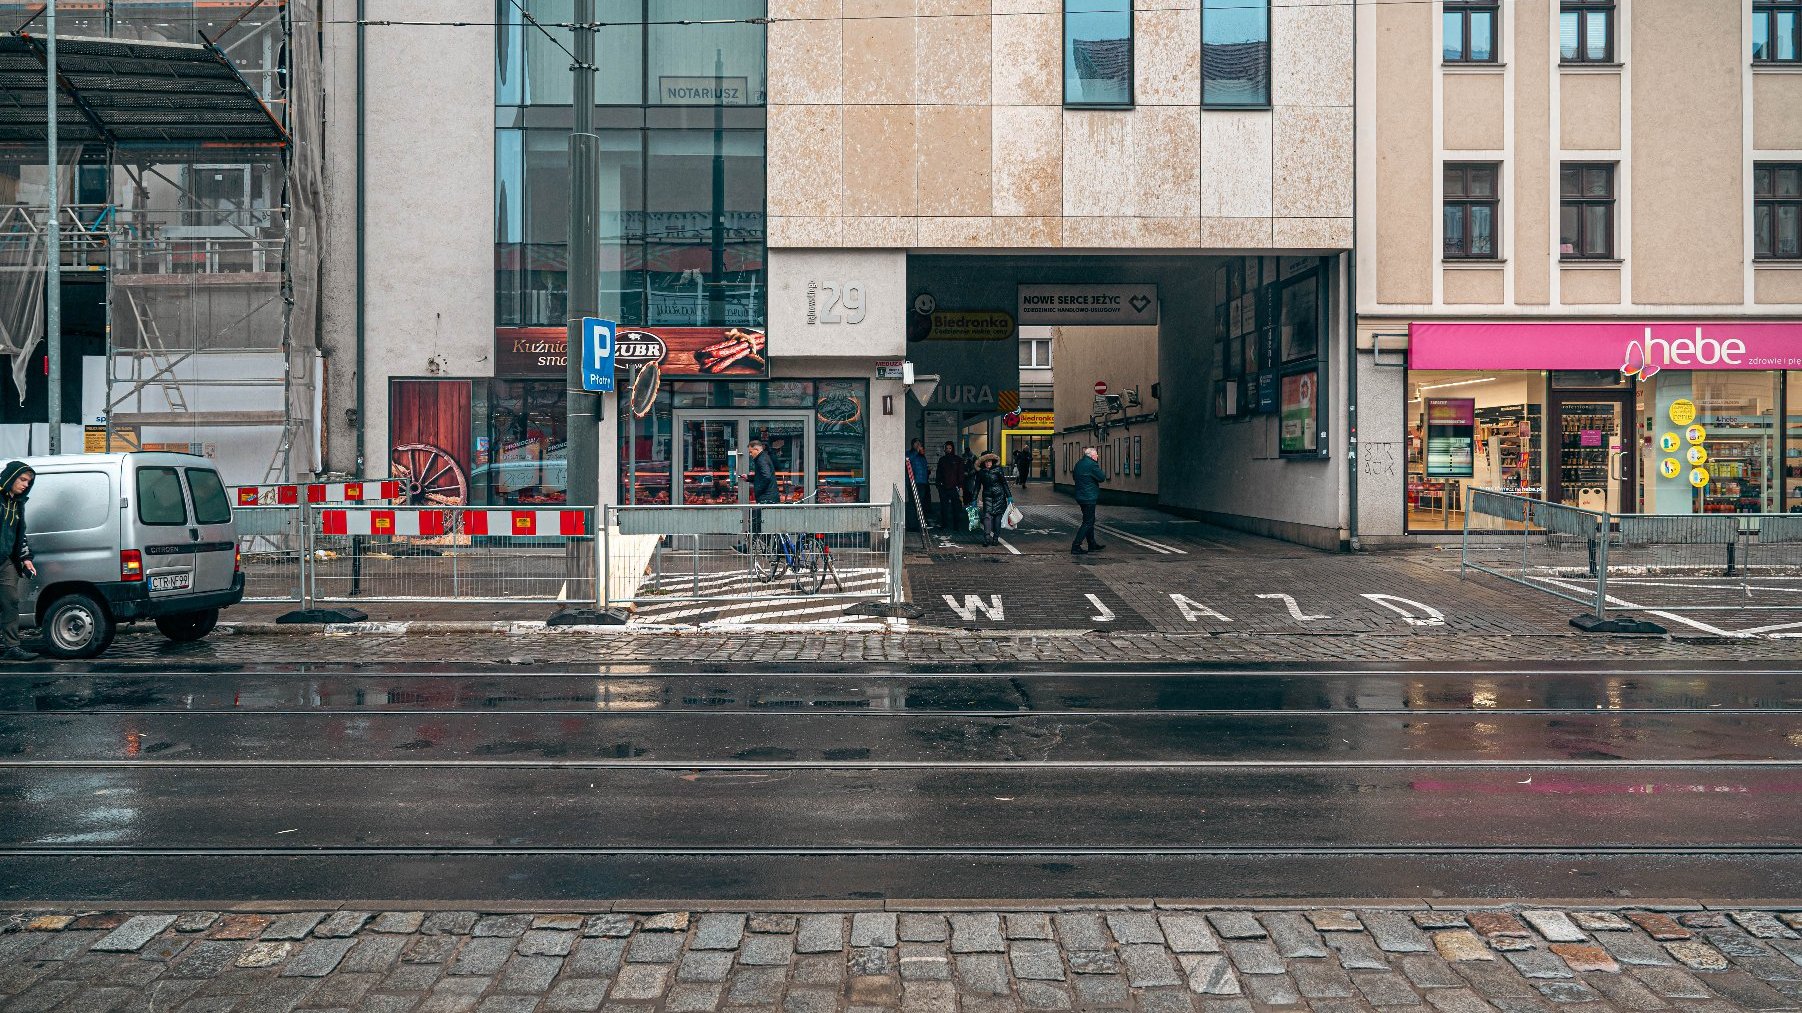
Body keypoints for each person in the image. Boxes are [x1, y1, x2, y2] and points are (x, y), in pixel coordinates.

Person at [0, 461, 37, 661]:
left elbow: (20, 533)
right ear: (10, 477)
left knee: (11, 601)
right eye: (22, 479)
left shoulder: (17, 503)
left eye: (28, 482)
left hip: (5, 561)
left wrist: (25, 558)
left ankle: (12, 647)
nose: (25, 484)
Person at [1070, 446, 1107, 555]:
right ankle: (1076, 546)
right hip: (1089, 497)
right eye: (1096, 455)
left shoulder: (1079, 463)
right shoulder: (1092, 464)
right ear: (1091, 455)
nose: (1098, 456)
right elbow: (1102, 477)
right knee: (1088, 522)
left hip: (1081, 495)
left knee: (1089, 520)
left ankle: (1092, 544)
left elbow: (1074, 477)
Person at [973, 452, 1011, 547]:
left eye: (989, 461)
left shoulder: (998, 470)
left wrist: (1009, 496)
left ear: (992, 461)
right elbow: (977, 487)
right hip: (987, 497)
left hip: (999, 497)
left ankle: (995, 538)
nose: (988, 463)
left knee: (997, 518)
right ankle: (987, 538)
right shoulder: (981, 472)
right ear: (983, 463)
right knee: (987, 517)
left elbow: (1004, 484)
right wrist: (974, 499)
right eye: (986, 461)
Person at [934, 441, 965, 532]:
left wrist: (960, 486)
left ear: (953, 449)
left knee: (955, 507)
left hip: (954, 487)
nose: (948, 450)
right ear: (944, 449)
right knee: (944, 507)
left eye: (950, 448)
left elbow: (960, 474)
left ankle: (956, 525)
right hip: (944, 487)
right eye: (947, 448)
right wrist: (938, 484)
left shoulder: (958, 460)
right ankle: (945, 524)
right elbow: (938, 473)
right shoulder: (942, 460)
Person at [906, 439, 932, 532]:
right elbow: (908, 462)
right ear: (912, 444)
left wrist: (928, 470)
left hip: (923, 482)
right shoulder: (909, 453)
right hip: (913, 482)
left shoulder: (922, 457)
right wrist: (916, 452)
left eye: (919, 444)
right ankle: (912, 525)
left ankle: (920, 523)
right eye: (916, 443)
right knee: (913, 503)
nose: (918, 445)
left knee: (921, 503)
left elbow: (923, 468)